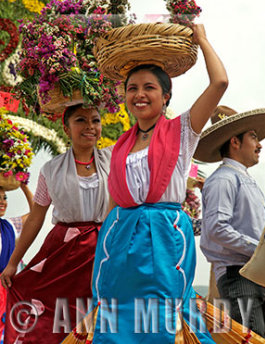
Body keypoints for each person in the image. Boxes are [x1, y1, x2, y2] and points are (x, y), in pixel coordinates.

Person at [83, 24, 228, 343]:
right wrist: (105, 236)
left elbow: (220, 82)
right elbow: (114, 199)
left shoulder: (183, 131)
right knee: (113, 312)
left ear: (165, 96)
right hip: (119, 236)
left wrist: (202, 39)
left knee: (163, 314)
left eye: (149, 87)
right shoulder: (120, 145)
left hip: (163, 234)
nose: (139, 94)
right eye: (132, 88)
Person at [1, 104, 112, 344]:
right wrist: (12, 263)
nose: (90, 127)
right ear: (66, 127)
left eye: (95, 120)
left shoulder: (114, 159)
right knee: (56, 318)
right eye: (81, 120)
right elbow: (36, 218)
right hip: (65, 252)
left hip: (105, 250)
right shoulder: (50, 171)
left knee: (102, 317)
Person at [194, 105, 265, 338]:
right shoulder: (223, 179)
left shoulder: (243, 180)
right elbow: (216, 229)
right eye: (253, 137)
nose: (259, 144)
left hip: (253, 274)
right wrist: (258, 250)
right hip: (239, 275)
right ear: (235, 142)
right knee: (251, 336)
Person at [0, 184, 33, 343]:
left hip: (4, 295)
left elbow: (36, 213)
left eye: (5, 198)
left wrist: (23, 185)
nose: (3, 202)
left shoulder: (9, 227)